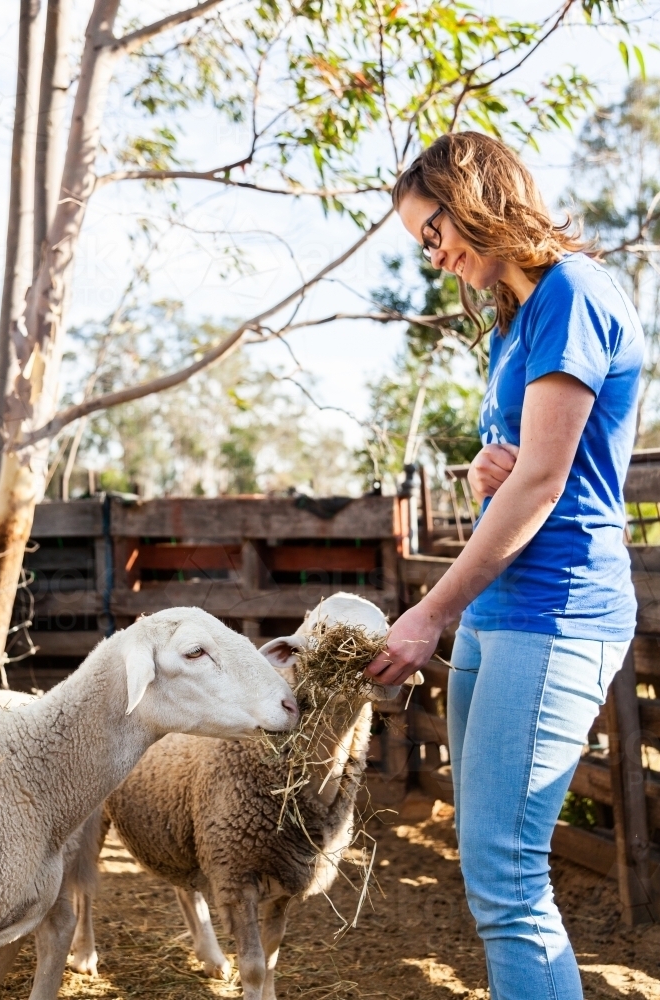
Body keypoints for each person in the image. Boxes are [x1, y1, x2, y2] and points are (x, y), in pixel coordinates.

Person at [365, 132, 644, 1000]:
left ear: (475, 193)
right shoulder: (518, 319)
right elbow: (527, 466)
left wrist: (428, 613)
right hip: (502, 610)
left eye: (431, 228)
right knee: (490, 866)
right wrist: (496, 462)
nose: (431, 251)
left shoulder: (572, 292)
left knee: (508, 879)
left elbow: (547, 486)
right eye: (419, 240)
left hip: (556, 608)